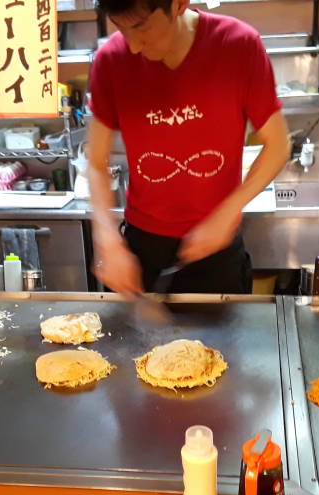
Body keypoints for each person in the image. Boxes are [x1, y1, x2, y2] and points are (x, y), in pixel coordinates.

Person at [87, 0, 290, 296]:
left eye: (141, 27)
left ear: (179, 4)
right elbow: (95, 161)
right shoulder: (111, 60)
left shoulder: (237, 45)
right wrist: (106, 237)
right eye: (120, 28)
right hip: (142, 252)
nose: (132, 45)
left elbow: (278, 146)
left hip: (216, 250)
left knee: (224, 344)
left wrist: (227, 213)